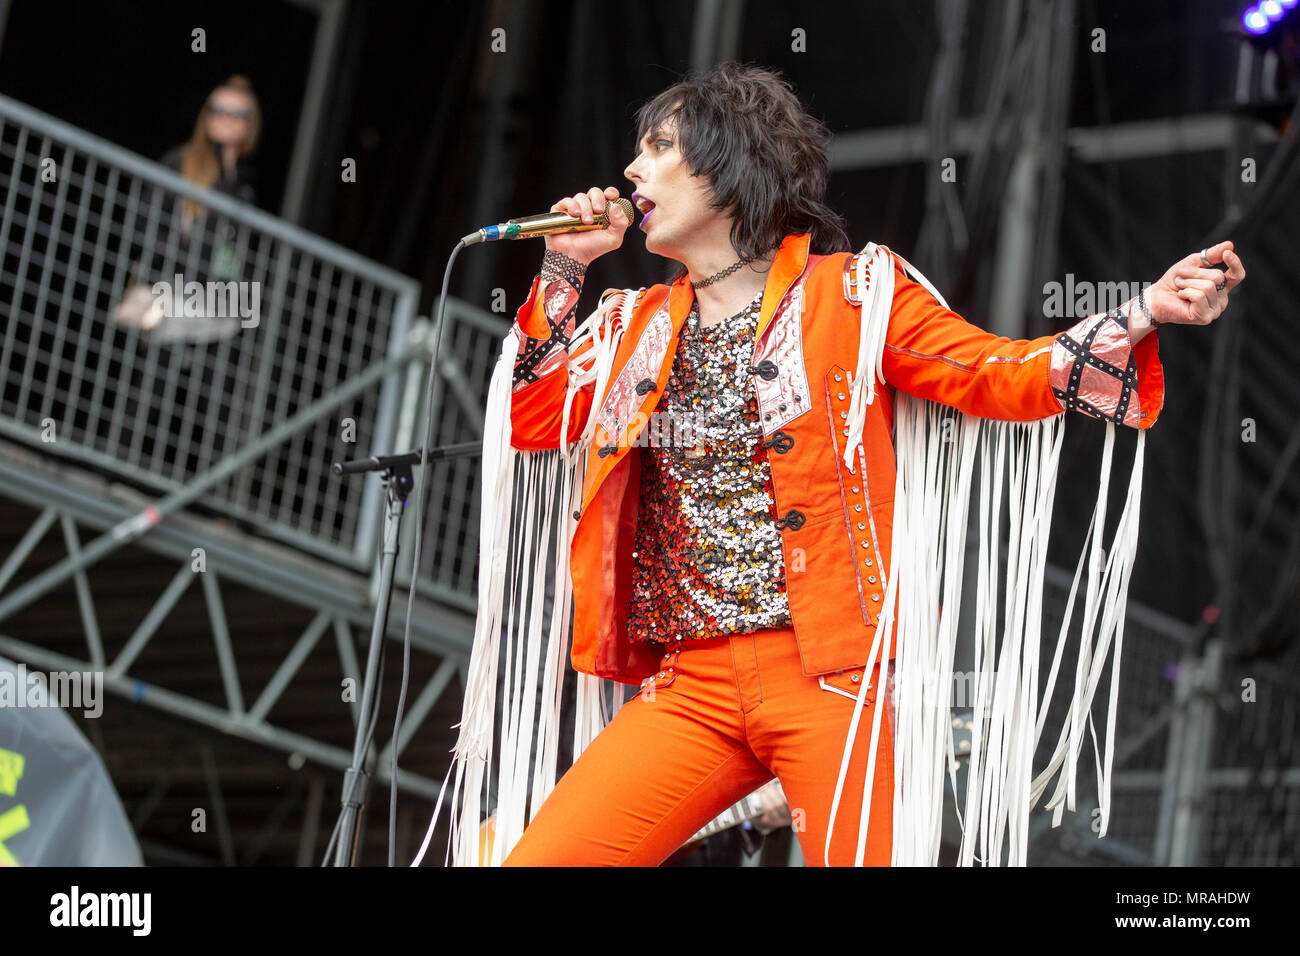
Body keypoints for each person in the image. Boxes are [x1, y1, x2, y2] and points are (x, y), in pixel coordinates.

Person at [435, 61, 1245, 867]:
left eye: (659, 146)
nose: (631, 169)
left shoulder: (856, 295)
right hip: (692, 685)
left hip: (834, 679)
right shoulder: (632, 324)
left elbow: (1000, 373)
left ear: (726, 164)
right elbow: (532, 418)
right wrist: (566, 266)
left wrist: (1143, 310)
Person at [113, 75, 260, 340]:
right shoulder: (181, 162)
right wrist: (164, 269)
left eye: (238, 113)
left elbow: (238, 257)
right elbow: (145, 222)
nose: (226, 118)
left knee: (232, 324)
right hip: (169, 289)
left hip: (212, 304)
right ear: (206, 116)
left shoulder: (243, 190)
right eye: (218, 111)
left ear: (250, 124)